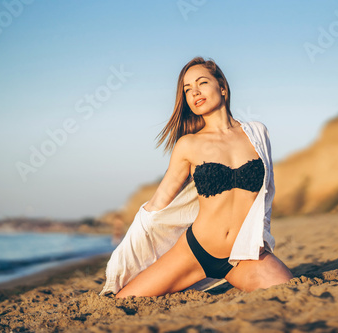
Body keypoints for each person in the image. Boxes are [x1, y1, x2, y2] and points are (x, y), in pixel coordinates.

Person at [112, 57, 293, 298]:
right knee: (124, 299)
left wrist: (260, 239)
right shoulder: (188, 145)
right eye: (187, 89)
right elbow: (159, 202)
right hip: (195, 251)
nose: (194, 92)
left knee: (289, 291)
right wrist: (129, 248)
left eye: (202, 82)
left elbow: (267, 193)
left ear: (223, 88)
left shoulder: (257, 133)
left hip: (243, 256)